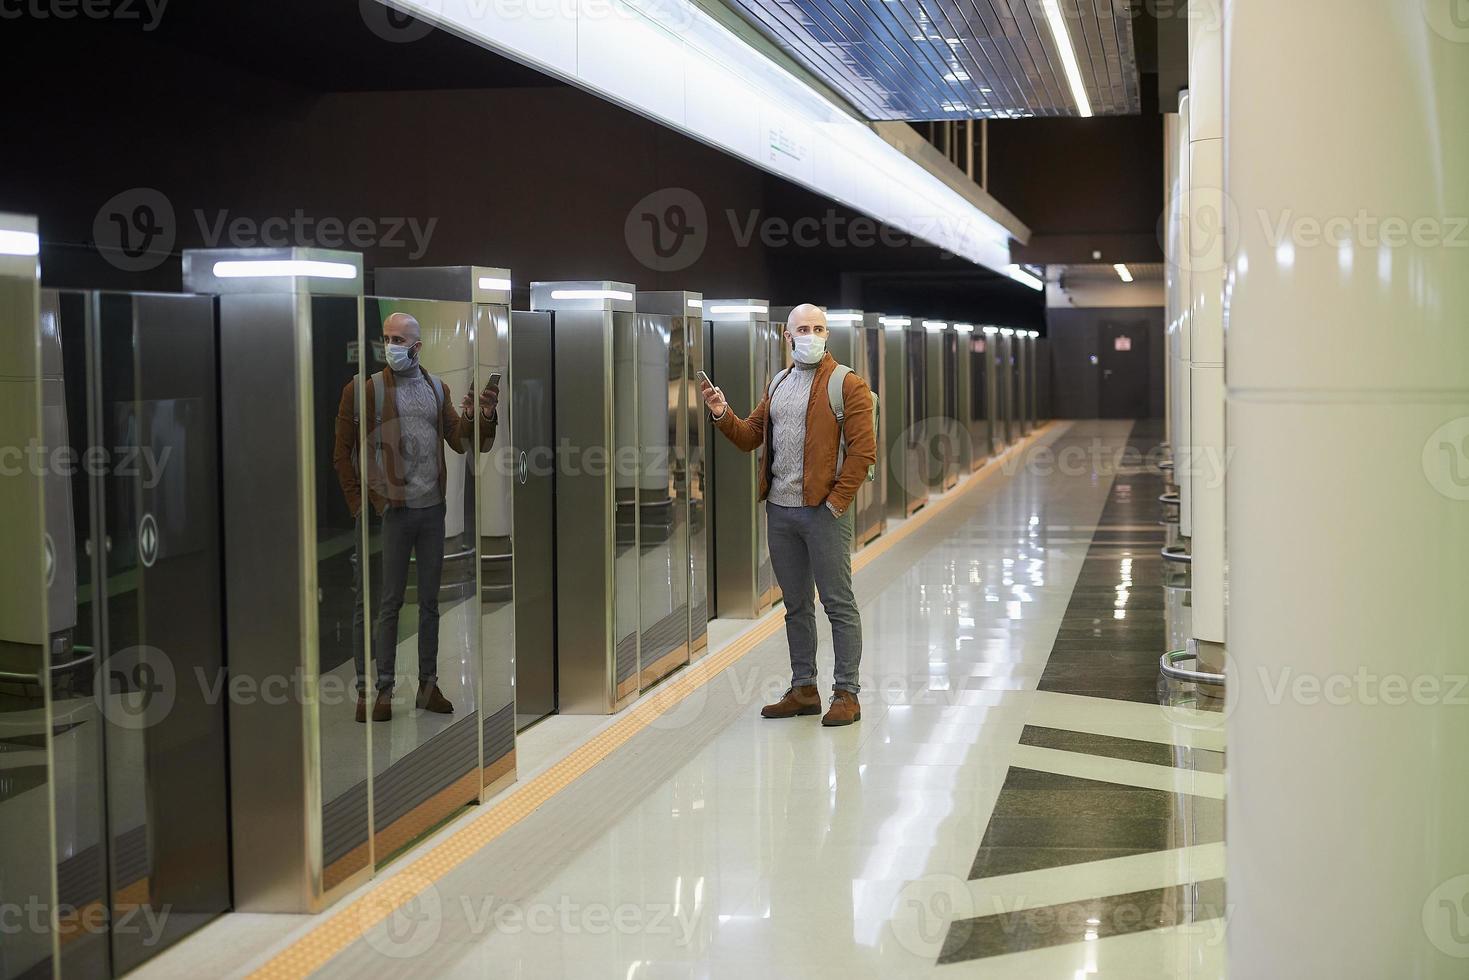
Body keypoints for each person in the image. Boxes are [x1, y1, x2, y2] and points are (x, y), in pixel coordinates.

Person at [701, 303, 876, 726]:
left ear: (827, 334)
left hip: (824, 514)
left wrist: (836, 504)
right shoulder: (778, 383)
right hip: (781, 512)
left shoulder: (846, 384)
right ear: (787, 334)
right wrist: (723, 413)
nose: (811, 334)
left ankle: (847, 694)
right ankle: (804, 689)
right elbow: (750, 437)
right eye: (803, 328)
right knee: (795, 605)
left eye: (818, 328)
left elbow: (863, 454)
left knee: (837, 602)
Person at [333, 312, 499, 723]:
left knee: (428, 602)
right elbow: (342, 454)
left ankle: (427, 685)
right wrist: (360, 506)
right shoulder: (363, 390)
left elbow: (461, 442)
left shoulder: (435, 389)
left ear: (416, 346)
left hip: (431, 511)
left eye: (399, 339)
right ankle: (380, 688)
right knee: (384, 602)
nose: (391, 345)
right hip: (391, 512)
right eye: (387, 337)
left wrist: (483, 415)